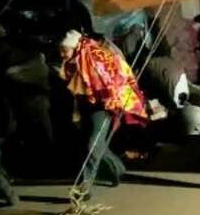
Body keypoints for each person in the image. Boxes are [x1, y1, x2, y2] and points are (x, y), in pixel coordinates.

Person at [58, 30, 149, 196]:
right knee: (97, 144)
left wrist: (113, 102)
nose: (61, 54)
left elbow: (115, 79)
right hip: (87, 105)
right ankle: (117, 169)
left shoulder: (97, 58)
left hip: (104, 106)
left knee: (92, 144)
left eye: (64, 50)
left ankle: (84, 187)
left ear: (75, 47)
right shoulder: (72, 62)